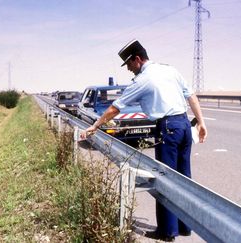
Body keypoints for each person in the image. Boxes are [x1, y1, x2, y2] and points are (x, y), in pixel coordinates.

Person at [82, 39, 208, 241]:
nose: (129, 69)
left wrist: (95, 125)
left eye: (129, 64)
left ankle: (167, 231)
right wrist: (201, 122)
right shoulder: (170, 70)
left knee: (165, 179)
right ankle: (185, 226)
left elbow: (116, 107)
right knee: (184, 178)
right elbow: (191, 95)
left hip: (167, 128)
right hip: (184, 125)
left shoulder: (143, 80)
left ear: (137, 59)